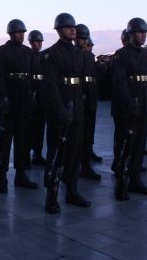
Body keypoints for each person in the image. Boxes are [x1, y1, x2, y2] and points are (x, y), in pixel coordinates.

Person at [42, 12, 89, 213]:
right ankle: (51, 194)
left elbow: (80, 83)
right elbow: (50, 85)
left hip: (76, 110)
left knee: (74, 153)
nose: (73, 29)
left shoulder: (79, 53)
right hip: (58, 112)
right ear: (59, 30)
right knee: (56, 153)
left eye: (74, 27)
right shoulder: (50, 54)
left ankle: (72, 190)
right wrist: (60, 110)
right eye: (69, 27)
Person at [0, 19, 38, 193]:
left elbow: (32, 76)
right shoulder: (1, 52)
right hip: (7, 103)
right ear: (10, 33)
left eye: (23, 32)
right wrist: (2, 96)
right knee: (4, 141)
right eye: (18, 32)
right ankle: (1, 176)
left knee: (23, 141)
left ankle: (21, 174)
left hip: (24, 102)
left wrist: (32, 94)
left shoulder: (28, 52)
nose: (21, 34)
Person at [112, 17, 147, 201]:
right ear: (131, 34)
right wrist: (129, 102)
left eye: (145, 32)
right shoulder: (121, 55)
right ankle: (122, 181)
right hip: (127, 108)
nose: (143, 35)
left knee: (139, 145)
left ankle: (135, 179)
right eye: (140, 32)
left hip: (142, 107)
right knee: (125, 146)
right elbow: (120, 82)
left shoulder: (146, 55)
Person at [75, 24, 101, 180]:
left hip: (90, 98)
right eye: (82, 38)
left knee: (88, 133)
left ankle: (86, 164)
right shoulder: (75, 55)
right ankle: (74, 164)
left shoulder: (90, 56)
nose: (85, 41)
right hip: (80, 96)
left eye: (86, 38)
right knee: (78, 135)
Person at [28, 30, 47, 166]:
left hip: (42, 93)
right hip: (31, 92)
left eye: (41, 42)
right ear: (31, 42)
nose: (39, 44)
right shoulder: (27, 55)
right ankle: (26, 155)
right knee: (29, 128)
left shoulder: (44, 57)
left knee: (40, 127)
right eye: (37, 41)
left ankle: (37, 153)